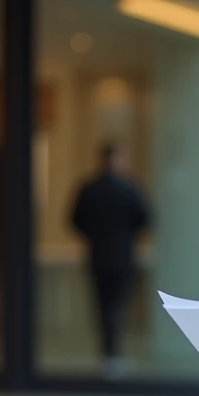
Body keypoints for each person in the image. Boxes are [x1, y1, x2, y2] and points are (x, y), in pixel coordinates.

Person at [70, 143, 150, 377]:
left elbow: (75, 220)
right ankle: (112, 355)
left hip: (98, 255)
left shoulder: (89, 188)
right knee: (116, 306)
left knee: (103, 305)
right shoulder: (128, 188)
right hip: (122, 255)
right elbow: (145, 218)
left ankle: (107, 353)